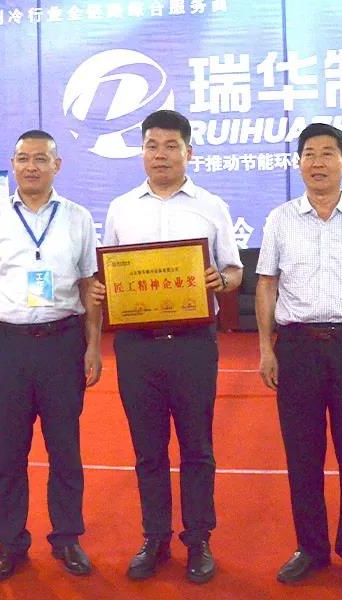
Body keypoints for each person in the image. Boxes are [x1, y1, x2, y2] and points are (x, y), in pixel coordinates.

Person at [96, 109, 242, 584]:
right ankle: (154, 537)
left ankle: (198, 539)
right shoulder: (121, 208)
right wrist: (103, 288)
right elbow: (109, 271)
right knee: (148, 449)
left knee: (197, 446)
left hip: (193, 345)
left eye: (171, 146)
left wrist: (222, 281)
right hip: (137, 347)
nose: (160, 155)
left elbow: (234, 270)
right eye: (152, 146)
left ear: (188, 152)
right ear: (141, 151)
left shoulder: (211, 206)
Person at [255, 123, 342, 590]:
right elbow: (267, 285)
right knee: (302, 455)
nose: (317, 162)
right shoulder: (281, 219)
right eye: (309, 154)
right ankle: (310, 548)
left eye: (327, 153)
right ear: (298, 163)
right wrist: (266, 348)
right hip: (296, 347)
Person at [0, 130, 102, 582]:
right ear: (13, 164)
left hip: (63, 343)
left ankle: (67, 537)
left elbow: (89, 286)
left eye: (41, 159)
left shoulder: (78, 217)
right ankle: (10, 542)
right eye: (23, 158)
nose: (31, 167)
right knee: (8, 452)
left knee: (65, 448)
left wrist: (93, 345)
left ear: (57, 166)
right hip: (8, 346)